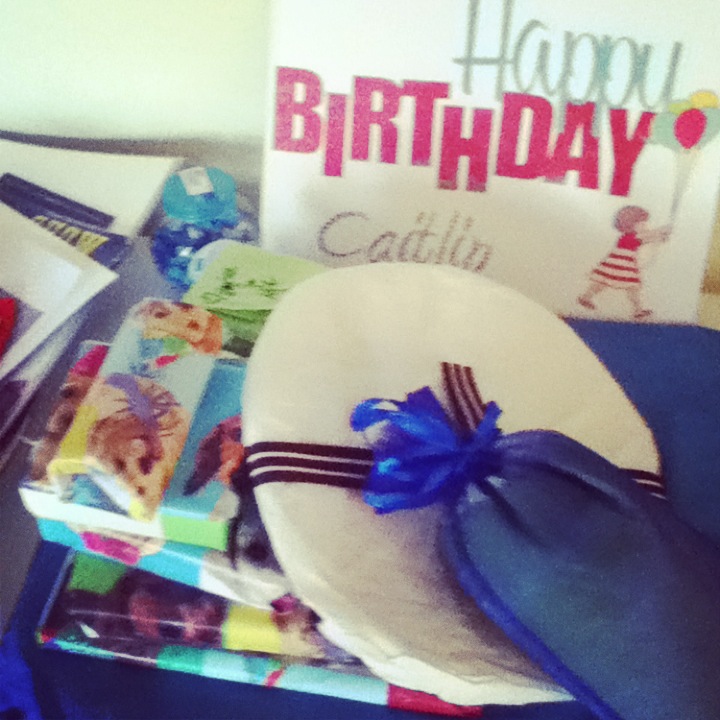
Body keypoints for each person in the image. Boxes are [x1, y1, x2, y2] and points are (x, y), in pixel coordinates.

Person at [578, 205, 670, 319]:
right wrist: (662, 231)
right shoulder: (630, 237)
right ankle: (637, 309)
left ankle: (637, 309)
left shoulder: (631, 236)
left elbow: (648, 237)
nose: (645, 226)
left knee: (613, 283)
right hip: (621, 264)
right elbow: (647, 236)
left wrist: (660, 236)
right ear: (630, 224)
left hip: (622, 264)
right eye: (642, 223)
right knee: (623, 285)